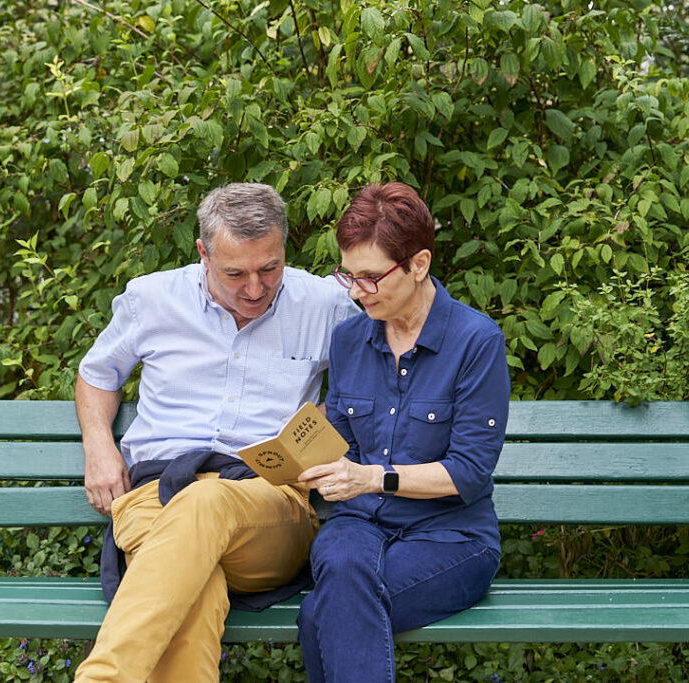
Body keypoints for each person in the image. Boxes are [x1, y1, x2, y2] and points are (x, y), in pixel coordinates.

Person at [71, 182, 360, 683]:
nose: (254, 288)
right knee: (195, 591)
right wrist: (98, 446)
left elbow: (378, 379)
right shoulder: (152, 298)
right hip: (153, 497)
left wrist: (326, 423)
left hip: (269, 503)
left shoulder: (325, 305)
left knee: (206, 505)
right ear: (203, 253)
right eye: (235, 273)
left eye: (269, 269)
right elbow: (98, 374)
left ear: (284, 248)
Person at [296, 182, 511, 682]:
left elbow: (470, 473)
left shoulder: (475, 341)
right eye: (348, 276)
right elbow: (343, 439)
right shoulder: (349, 338)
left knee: (320, 615)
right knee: (341, 578)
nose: (355, 291)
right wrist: (300, 458)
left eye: (371, 277)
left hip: (450, 537)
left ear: (419, 264)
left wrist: (373, 479)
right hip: (356, 526)